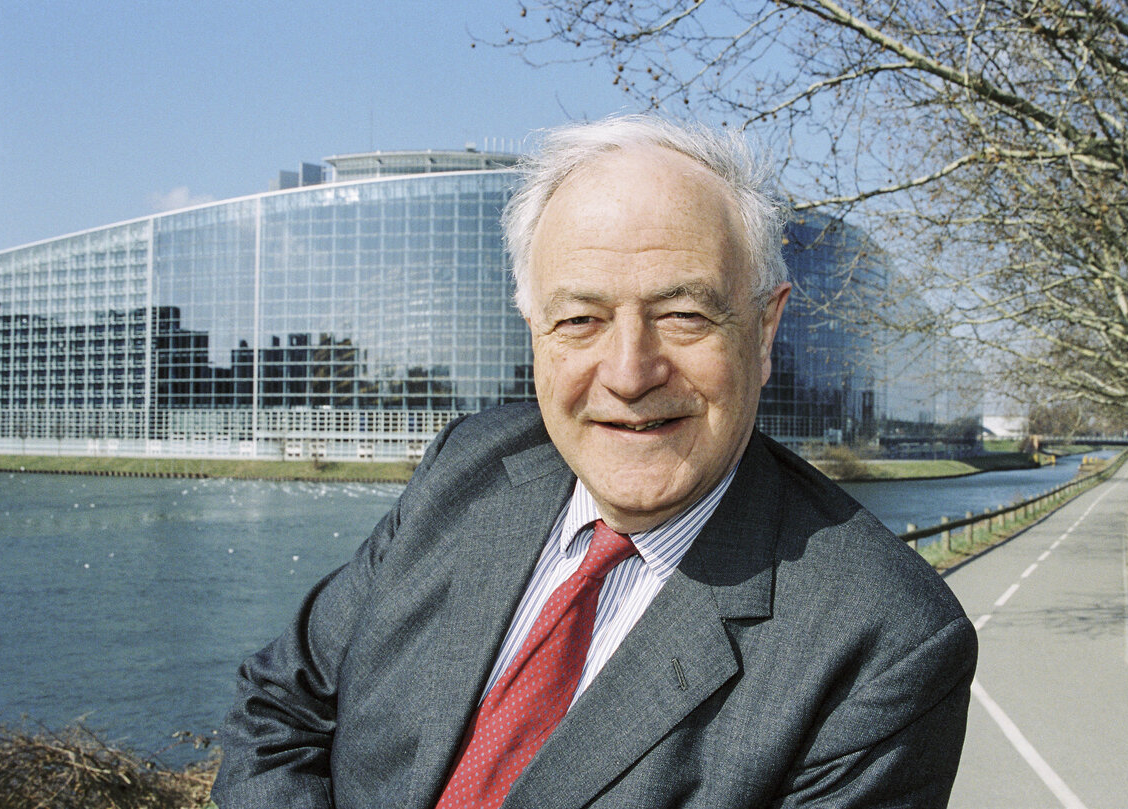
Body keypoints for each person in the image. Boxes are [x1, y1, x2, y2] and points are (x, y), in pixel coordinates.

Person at [211, 115, 978, 809]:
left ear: (766, 329)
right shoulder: (466, 466)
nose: (628, 371)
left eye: (683, 314)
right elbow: (276, 710)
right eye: (580, 319)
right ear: (533, 330)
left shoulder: (884, 640)